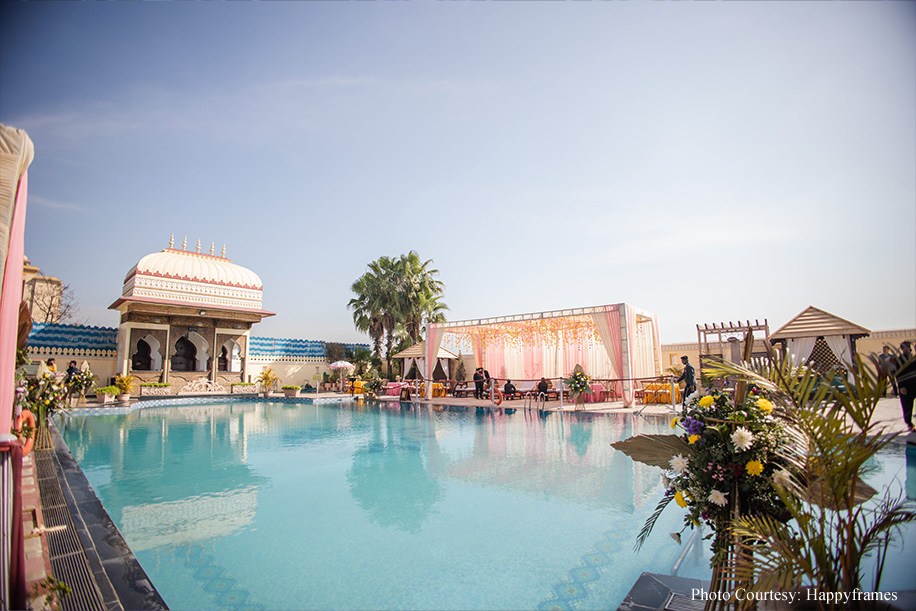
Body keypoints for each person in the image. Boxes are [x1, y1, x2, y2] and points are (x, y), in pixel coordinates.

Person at [894, 341, 916, 433]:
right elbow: (898, 374)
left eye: (909, 347)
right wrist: (901, 386)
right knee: (907, 406)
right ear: (902, 349)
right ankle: (909, 424)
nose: (909, 349)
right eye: (906, 347)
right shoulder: (900, 360)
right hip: (906, 386)